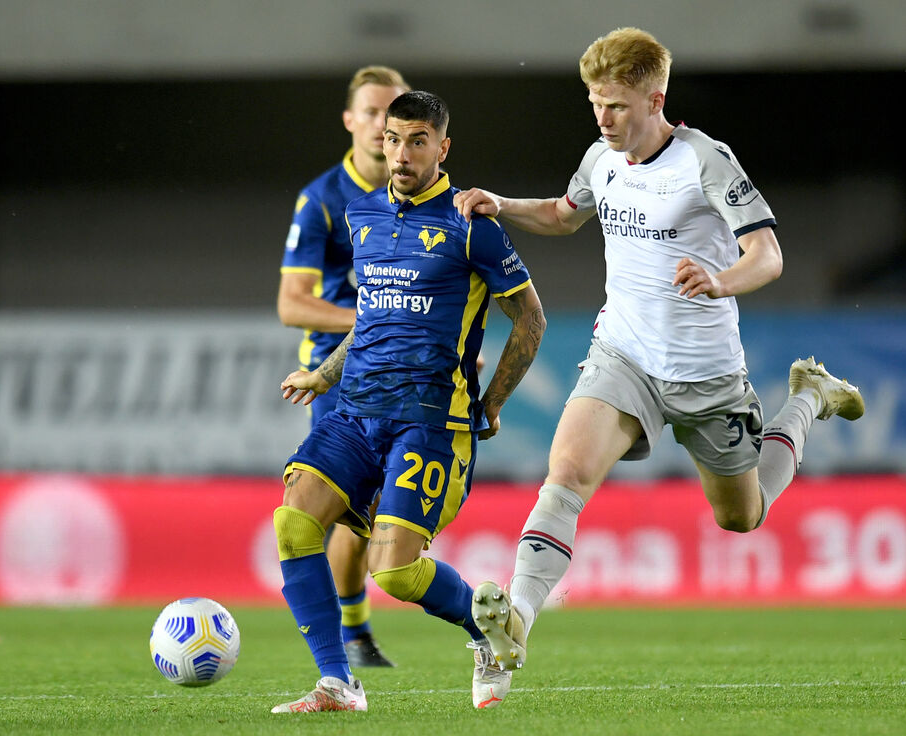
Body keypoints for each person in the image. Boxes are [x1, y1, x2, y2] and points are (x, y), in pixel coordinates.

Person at [453, 27, 865, 705]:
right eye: (593, 103)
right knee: (565, 475)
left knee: (742, 517)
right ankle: (515, 624)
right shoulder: (600, 158)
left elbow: (767, 254)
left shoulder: (705, 159)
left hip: (706, 374)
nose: (602, 118)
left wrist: (719, 279)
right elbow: (564, 214)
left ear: (655, 98)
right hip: (623, 354)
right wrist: (502, 204)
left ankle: (809, 397)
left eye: (615, 105)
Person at [271, 90, 546, 714]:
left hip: (430, 422)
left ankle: (487, 630)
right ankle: (338, 683)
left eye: (416, 140)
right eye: (392, 138)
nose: (400, 152)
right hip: (354, 410)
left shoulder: (473, 225)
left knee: (392, 572)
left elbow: (531, 320)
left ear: (442, 148)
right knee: (293, 522)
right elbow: (371, 317)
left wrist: (492, 401)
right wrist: (323, 374)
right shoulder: (361, 214)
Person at [277, 65, 410, 668]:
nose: (386, 123)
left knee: (369, 518)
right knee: (331, 509)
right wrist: (372, 319)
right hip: (336, 380)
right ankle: (345, 639)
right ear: (352, 121)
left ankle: (353, 631)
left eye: (396, 112)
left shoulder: (418, 195)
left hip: (397, 374)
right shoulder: (323, 200)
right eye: (375, 112)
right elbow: (292, 302)